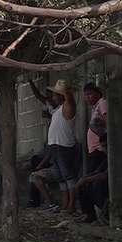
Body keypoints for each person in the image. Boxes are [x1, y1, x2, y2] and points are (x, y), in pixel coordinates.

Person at [30, 80, 78, 212]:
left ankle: (71, 204)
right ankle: (65, 203)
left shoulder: (68, 107)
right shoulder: (57, 109)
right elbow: (41, 98)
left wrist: (65, 90)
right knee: (60, 177)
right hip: (55, 147)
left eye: (56, 94)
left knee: (68, 176)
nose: (53, 96)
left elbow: (70, 100)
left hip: (63, 146)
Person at [76, 134, 122, 224]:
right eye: (103, 146)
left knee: (96, 185)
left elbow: (105, 175)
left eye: (106, 146)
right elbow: (98, 171)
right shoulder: (111, 156)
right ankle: (90, 215)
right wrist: (84, 179)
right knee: (85, 185)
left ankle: (108, 215)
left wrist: (86, 180)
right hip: (117, 189)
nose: (104, 149)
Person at [83, 83, 107, 175]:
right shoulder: (95, 107)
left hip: (99, 149)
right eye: (85, 95)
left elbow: (107, 121)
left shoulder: (102, 103)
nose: (87, 98)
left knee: (94, 175)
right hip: (95, 149)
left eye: (90, 94)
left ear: (98, 93)